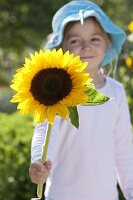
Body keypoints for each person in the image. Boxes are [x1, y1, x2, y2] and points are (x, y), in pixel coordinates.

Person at [29, 1, 133, 200]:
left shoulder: (116, 92)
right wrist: (38, 161)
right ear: (61, 48)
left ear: (107, 43)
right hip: (61, 195)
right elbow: (45, 131)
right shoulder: (55, 90)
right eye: (75, 41)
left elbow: (124, 151)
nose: (86, 47)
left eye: (94, 39)